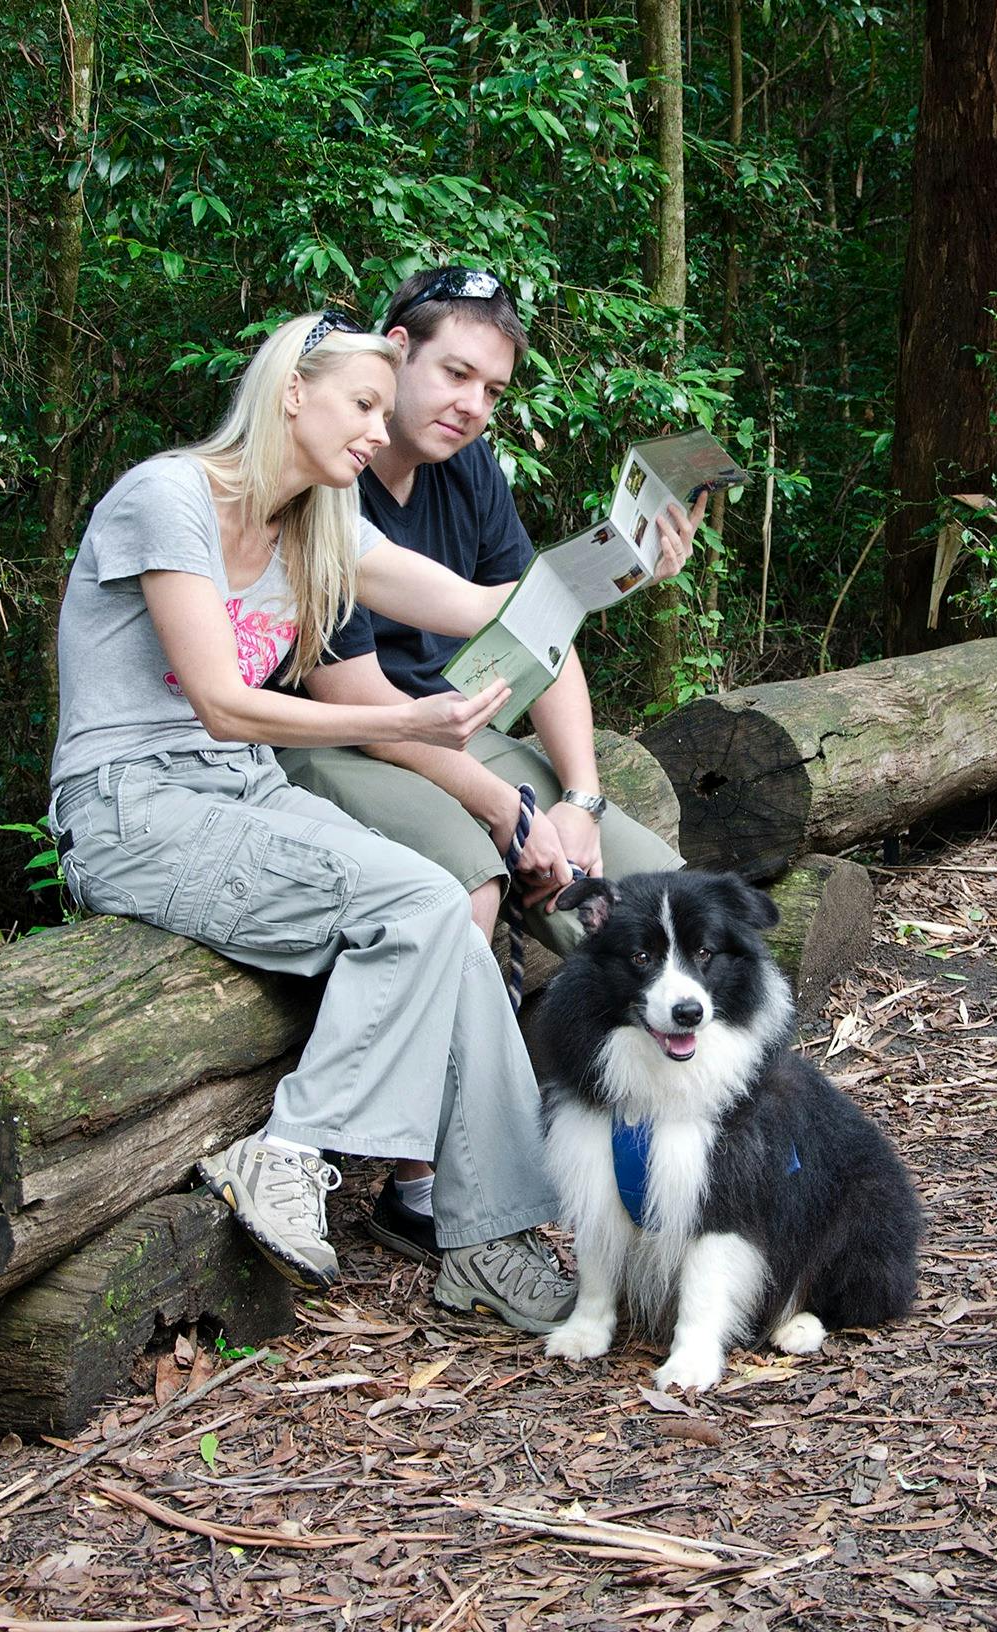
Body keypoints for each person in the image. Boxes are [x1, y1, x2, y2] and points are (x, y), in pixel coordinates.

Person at [47, 309, 574, 1334]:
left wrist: (624, 561)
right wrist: (404, 716)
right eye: (364, 404)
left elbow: (483, 605)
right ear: (293, 391)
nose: (381, 432)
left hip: (244, 797)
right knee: (425, 903)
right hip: (129, 804)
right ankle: (292, 1150)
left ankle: (487, 1239)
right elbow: (220, 701)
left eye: (386, 409)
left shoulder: (319, 525)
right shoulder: (170, 497)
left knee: (458, 946)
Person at [275, 268, 704, 1259]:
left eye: (494, 389)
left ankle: (678, 1155)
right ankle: (425, 1184)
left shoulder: (470, 472)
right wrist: (511, 816)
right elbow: (358, 707)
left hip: (467, 725)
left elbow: (539, 630)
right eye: (454, 373)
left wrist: (582, 799)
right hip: (351, 737)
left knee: (658, 900)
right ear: (393, 351)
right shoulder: (330, 474)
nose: (471, 404)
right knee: (463, 883)